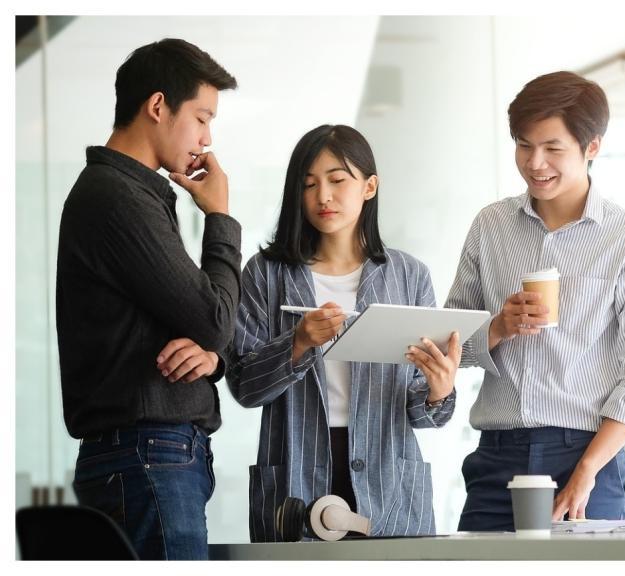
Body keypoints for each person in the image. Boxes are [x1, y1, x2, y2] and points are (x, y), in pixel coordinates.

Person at [445, 71, 625, 531]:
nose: (535, 163)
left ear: (592, 147)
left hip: (586, 456)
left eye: (553, 148)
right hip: (497, 459)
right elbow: (448, 341)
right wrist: (497, 327)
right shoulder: (489, 227)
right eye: (524, 145)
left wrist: (587, 472)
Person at [226, 124, 459, 541]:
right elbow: (244, 386)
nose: (323, 197)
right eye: (309, 184)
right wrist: (297, 343)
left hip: (388, 481)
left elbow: (425, 412)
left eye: (337, 180)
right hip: (296, 473)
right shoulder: (266, 273)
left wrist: (439, 390)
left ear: (369, 187)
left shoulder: (408, 276)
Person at [56, 38, 240, 559]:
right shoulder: (118, 199)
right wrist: (221, 217)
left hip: (147, 456)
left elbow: (203, 326)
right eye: (202, 118)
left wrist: (211, 355)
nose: (207, 138)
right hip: (146, 457)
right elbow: (214, 315)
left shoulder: (128, 195)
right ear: (158, 106)